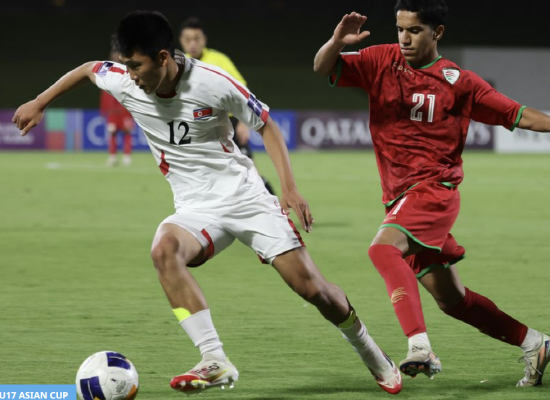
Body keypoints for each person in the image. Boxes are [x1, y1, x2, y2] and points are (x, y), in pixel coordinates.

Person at [13, 10, 402, 395]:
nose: (129, 75)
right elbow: (87, 69)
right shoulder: (125, 81)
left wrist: (289, 189)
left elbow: (266, 124)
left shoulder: (213, 83)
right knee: (164, 250)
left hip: (245, 198)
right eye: (125, 65)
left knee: (313, 290)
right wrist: (40, 101)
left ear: (162, 57)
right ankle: (214, 358)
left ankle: (371, 351)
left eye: (136, 65)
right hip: (195, 207)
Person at [313, 0, 550, 388]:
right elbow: (323, 67)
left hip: (433, 191)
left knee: (382, 250)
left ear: (437, 32)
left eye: (415, 30)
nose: (404, 39)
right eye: (400, 29)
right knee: (452, 300)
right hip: (399, 198)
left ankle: (420, 347)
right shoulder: (380, 60)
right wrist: (337, 41)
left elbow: (518, 114)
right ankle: (535, 343)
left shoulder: (460, 82)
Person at [179, 16, 275, 195]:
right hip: (200, 127)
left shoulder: (219, 60)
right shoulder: (178, 65)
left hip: (229, 122)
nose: (192, 43)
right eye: (187, 39)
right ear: (181, 41)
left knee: (250, 174)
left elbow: (241, 89)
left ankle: (276, 206)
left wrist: (243, 122)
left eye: (196, 39)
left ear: (204, 40)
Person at [100, 50, 135, 166]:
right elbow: (102, 88)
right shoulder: (106, 68)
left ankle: (127, 156)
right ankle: (112, 156)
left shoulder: (127, 68)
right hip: (112, 113)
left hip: (124, 110)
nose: (116, 58)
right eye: (114, 57)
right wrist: (104, 111)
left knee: (127, 132)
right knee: (112, 133)